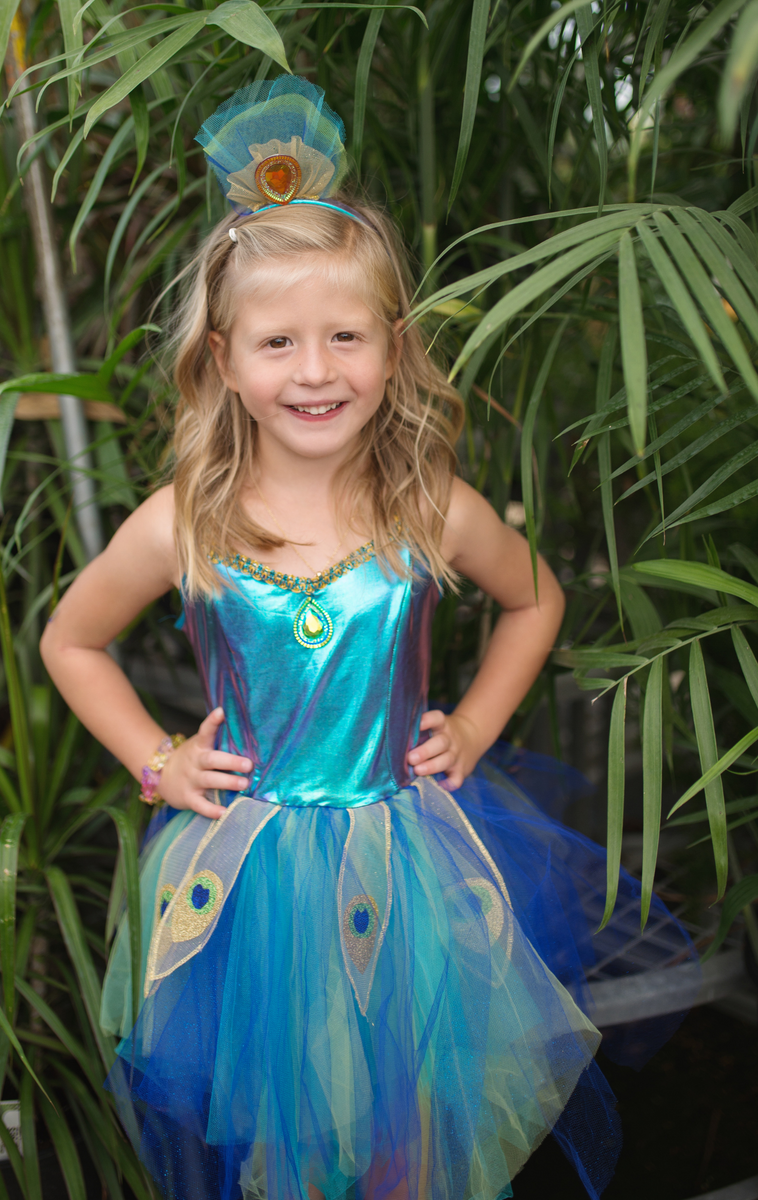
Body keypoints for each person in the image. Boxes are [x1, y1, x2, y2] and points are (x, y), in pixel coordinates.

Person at [40, 77, 694, 1200]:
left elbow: (534, 596)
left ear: (390, 348)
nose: (313, 370)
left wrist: (478, 722)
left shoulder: (425, 503)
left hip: (410, 867)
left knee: (408, 1118)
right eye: (278, 342)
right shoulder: (184, 522)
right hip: (251, 882)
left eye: (345, 336)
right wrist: (156, 759)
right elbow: (71, 641)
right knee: (285, 1133)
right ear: (222, 360)